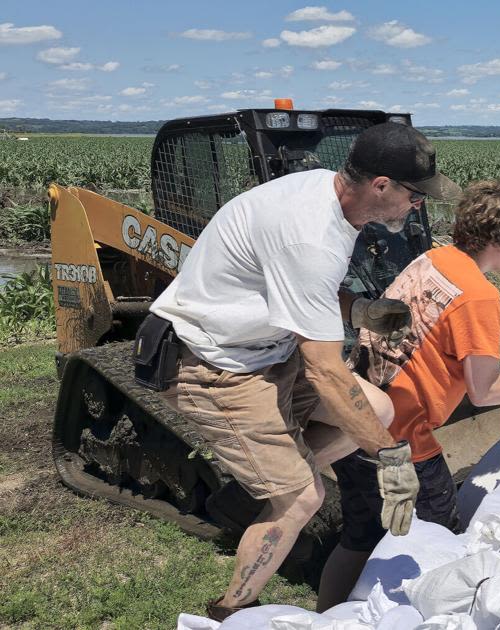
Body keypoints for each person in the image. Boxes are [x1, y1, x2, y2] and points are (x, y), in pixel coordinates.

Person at [143, 122, 461, 620]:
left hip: (266, 347)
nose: (418, 206)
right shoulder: (310, 239)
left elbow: (299, 287)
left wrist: (357, 310)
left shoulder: (329, 198)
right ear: (381, 185)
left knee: (376, 406)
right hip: (214, 363)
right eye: (415, 195)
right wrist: (393, 462)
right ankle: (227, 611)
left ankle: (263, 484)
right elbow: (325, 373)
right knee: (301, 498)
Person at [316, 179, 500, 607]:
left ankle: (327, 616)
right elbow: (483, 387)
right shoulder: (479, 296)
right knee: (438, 544)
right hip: (405, 443)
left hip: (359, 424)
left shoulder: (433, 260)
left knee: (359, 536)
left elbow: (439, 355)